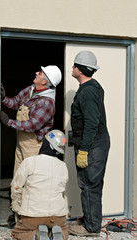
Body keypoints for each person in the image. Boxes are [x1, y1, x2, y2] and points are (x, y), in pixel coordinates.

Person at [69, 50, 110, 236]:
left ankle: (91, 228)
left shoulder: (88, 91)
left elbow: (92, 122)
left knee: (89, 185)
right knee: (90, 184)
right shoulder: (92, 87)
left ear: (81, 69)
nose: (72, 68)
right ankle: (89, 219)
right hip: (94, 143)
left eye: (74, 65)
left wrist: (84, 149)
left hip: (92, 145)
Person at [0, 65, 62, 174]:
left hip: (32, 146)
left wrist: (8, 122)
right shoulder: (31, 89)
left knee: (30, 177)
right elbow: (15, 102)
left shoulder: (47, 103)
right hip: (21, 142)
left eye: (41, 73)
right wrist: (3, 98)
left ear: (44, 82)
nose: (37, 73)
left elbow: (32, 125)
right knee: (18, 177)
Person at [10, 129, 69, 240]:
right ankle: (57, 234)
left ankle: (35, 236)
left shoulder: (29, 161)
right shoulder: (63, 166)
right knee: (64, 228)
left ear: (45, 143)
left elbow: (16, 187)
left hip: (33, 216)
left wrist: (17, 208)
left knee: (17, 233)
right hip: (57, 217)